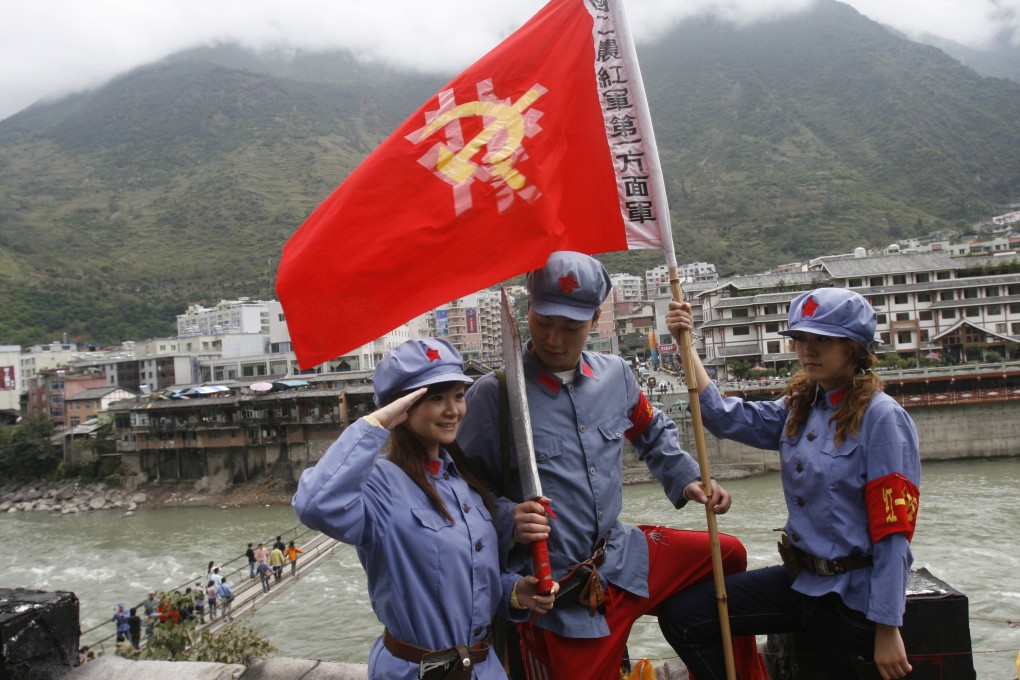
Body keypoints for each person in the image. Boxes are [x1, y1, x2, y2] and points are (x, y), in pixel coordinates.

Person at [456, 252, 763, 679]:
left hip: (622, 557)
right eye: (544, 323)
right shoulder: (493, 397)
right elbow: (458, 489)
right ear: (528, 310)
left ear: (596, 318)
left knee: (726, 555)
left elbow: (650, 429)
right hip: (561, 593)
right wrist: (508, 517)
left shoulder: (615, 375)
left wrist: (688, 478)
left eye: (571, 327)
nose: (554, 339)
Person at [661, 287, 921, 679]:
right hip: (802, 582)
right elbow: (721, 415)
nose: (807, 350)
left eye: (822, 340)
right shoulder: (801, 405)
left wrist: (888, 627)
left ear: (853, 348)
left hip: (852, 600)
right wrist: (687, 343)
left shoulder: (882, 418)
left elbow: (894, 530)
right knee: (684, 617)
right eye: (800, 339)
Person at [294, 337, 557, 680]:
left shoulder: (464, 485)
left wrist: (514, 592)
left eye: (459, 396)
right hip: (415, 672)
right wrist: (378, 422)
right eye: (436, 398)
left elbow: (469, 579)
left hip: (483, 668)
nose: (453, 410)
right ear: (403, 407)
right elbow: (315, 504)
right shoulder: (380, 485)